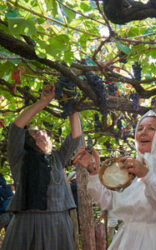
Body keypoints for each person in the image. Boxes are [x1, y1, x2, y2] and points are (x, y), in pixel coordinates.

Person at [74, 110, 156, 250]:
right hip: (129, 240)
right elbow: (110, 202)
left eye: (151, 129)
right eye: (140, 129)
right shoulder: (132, 167)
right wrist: (94, 173)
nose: (143, 133)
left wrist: (147, 176)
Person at [2, 84, 84, 250]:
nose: (40, 134)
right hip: (28, 223)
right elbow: (16, 128)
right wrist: (43, 102)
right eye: (34, 133)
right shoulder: (19, 157)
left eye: (42, 132)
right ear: (27, 142)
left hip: (59, 223)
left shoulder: (57, 158)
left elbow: (75, 136)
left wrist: (72, 105)